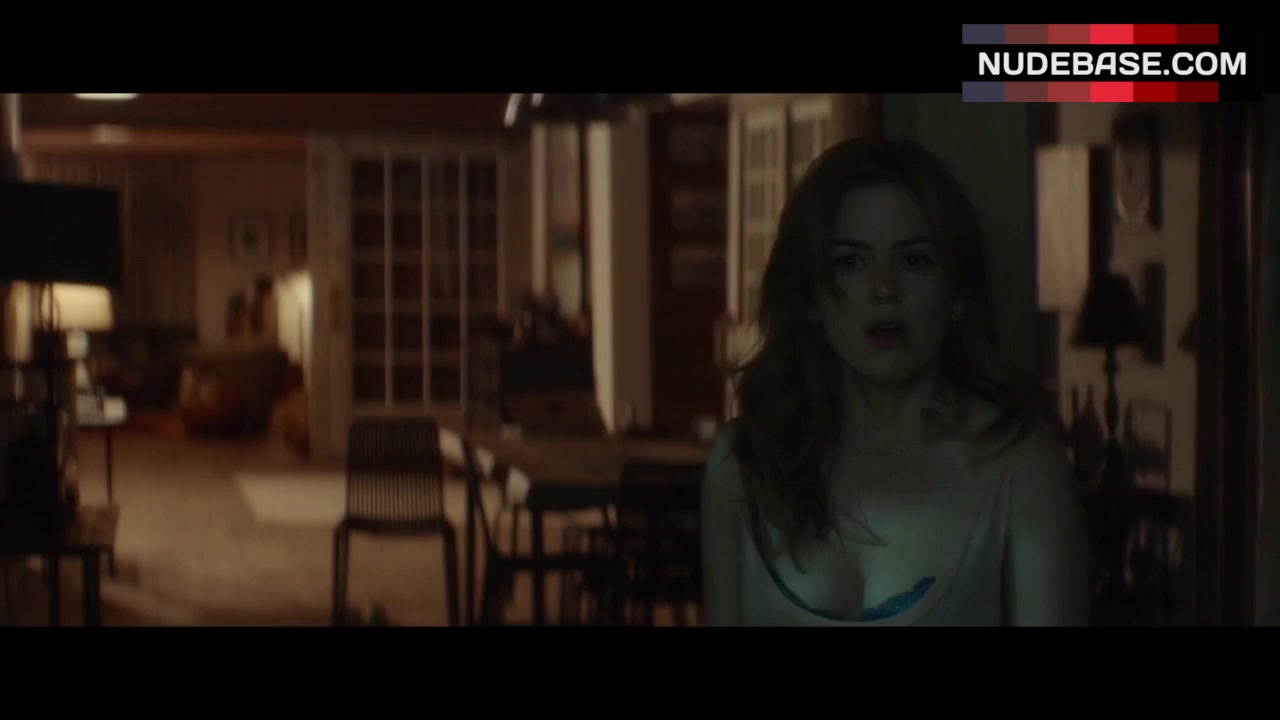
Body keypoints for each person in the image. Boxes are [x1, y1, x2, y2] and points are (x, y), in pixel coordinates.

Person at [701, 138, 1089, 626]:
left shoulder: (1022, 468)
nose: (885, 288)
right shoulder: (743, 465)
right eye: (851, 262)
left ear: (956, 294)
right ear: (812, 298)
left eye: (914, 260)